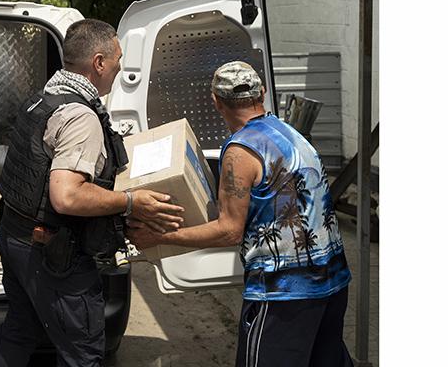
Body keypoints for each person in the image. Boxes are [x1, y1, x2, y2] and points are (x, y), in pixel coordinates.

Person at [126, 61, 353, 367]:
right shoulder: (291, 134)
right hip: (333, 283)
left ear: (216, 101)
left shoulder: (240, 152)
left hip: (284, 294)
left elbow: (229, 230)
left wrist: (161, 237)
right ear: (263, 92)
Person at [0, 19, 185, 367]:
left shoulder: (46, 96)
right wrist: (130, 201)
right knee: (82, 352)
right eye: (118, 59)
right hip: (54, 253)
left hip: (17, 238)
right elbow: (67, 196)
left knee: (20, 329)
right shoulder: (80, 116)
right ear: (98, 63)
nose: (121, 67)